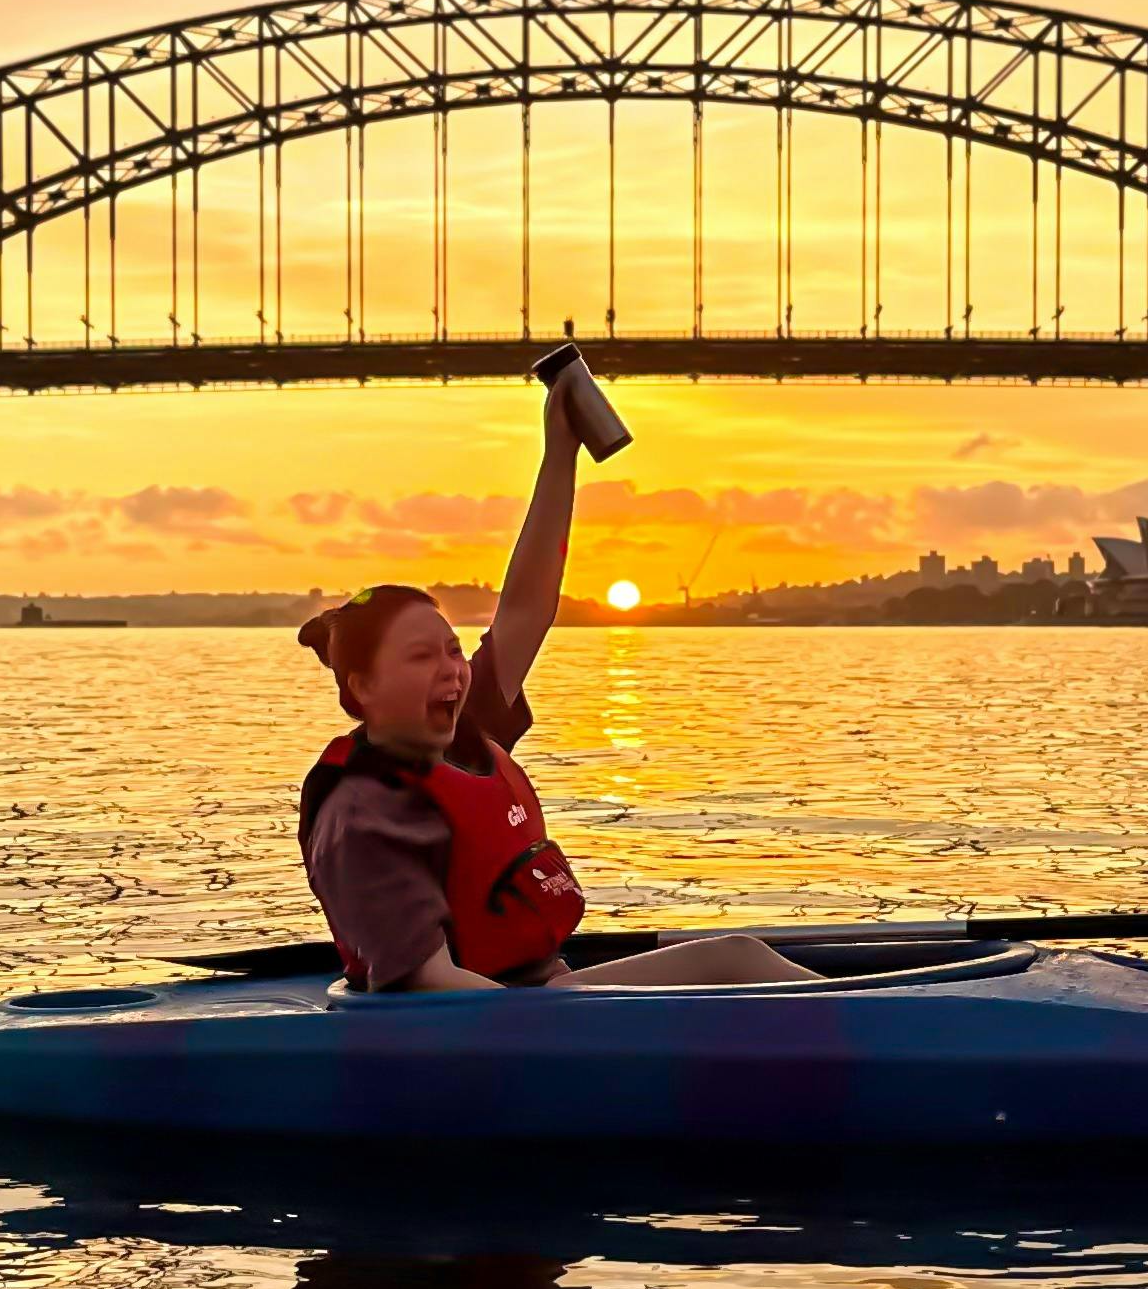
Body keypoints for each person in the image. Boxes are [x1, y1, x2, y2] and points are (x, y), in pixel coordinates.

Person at [295, 374, 814, 995]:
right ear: (365, 688)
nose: (451, 671)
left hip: (546, 1003)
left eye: (453, 651)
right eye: (420, 657)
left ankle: (901, 1009)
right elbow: (428, 985)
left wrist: (560, 450)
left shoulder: (465, 733)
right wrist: (577, 1028)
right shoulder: (362, 813)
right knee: (727, 972)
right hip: (491, 1033)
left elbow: (525, 610)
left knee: (738, 956)